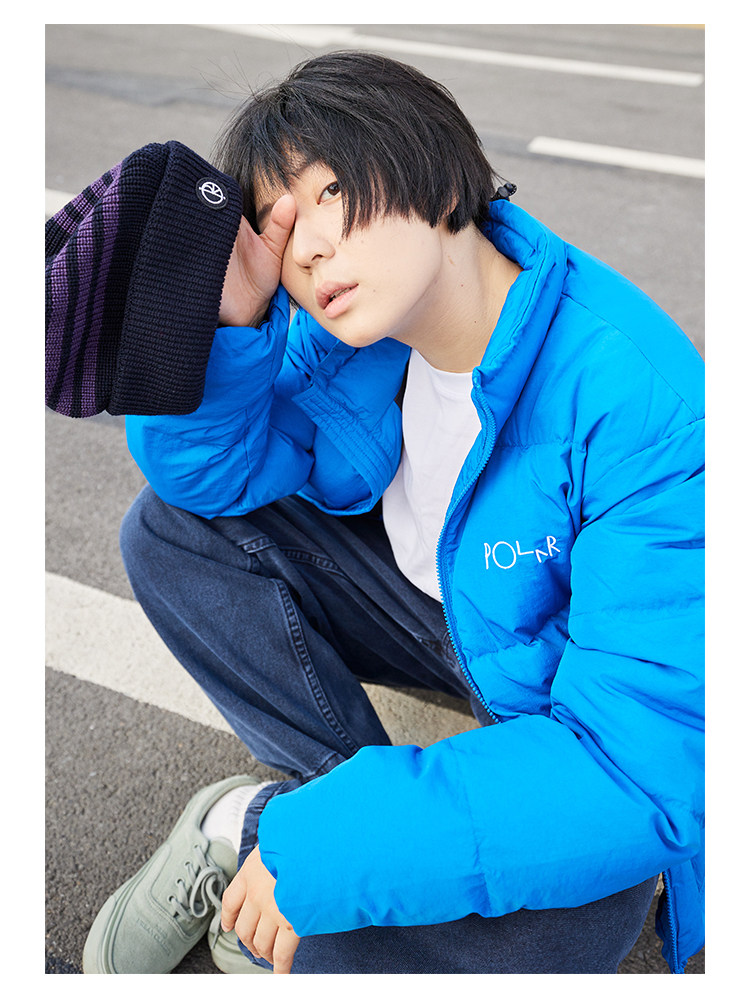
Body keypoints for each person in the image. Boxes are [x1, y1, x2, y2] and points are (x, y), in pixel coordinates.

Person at [46, 51, 704, 975]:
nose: (309, 248)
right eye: (284, 223)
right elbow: (212, 479)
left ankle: (253, 830)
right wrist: (233, 329)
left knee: (563, 933)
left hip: (553, 690)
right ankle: (318, 830)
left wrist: (320, 845)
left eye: (332, 192)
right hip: (432, 614)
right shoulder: (348, 330)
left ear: (437, 175)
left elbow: (636, 766)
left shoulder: (641, 403)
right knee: (167, 533)